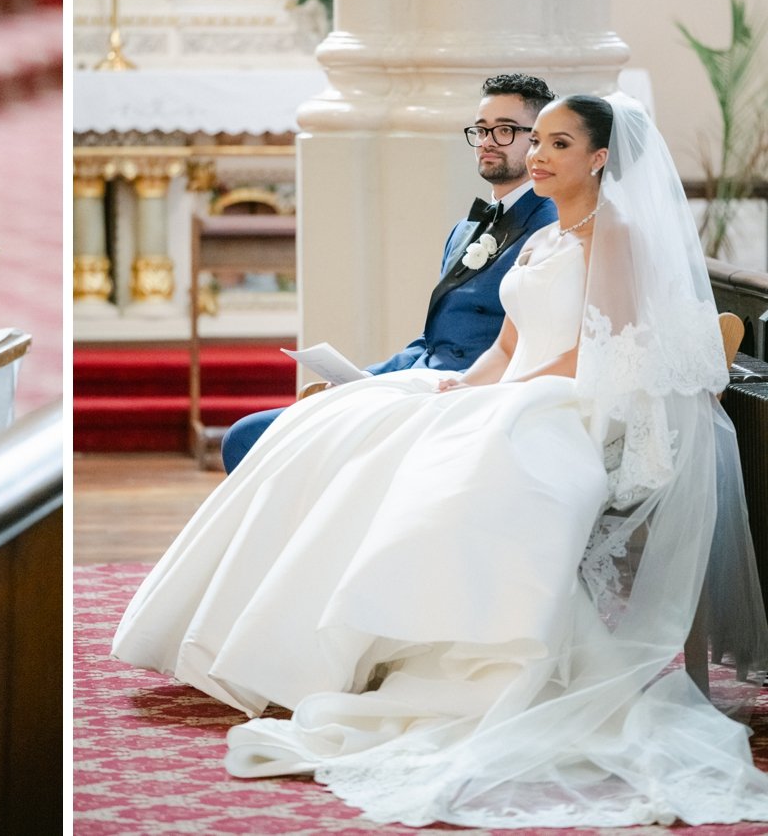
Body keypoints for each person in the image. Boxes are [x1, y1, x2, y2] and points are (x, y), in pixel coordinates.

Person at [112, 93, 768, 827]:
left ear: (599, 157)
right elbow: (510, 345)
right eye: (538, 142)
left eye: (556, 143)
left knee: (448, 448)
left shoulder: (612, 233)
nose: (538, 156)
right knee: (351, 416)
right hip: (518, 385)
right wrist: (466, 383)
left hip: (569, 408)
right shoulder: (546, 237)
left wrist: (501, 395)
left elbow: (598, 356)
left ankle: (393, 649)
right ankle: (298, 642)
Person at [220, 73, 558, 472]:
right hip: (416, 382)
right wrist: (363, 377)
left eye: (504, 131)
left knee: (250, 438)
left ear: (536, 140)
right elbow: (432, 341)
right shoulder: (465, 229)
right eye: (481, 129)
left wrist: (448, 390)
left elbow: (529, 346)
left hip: (461, 399)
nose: (486, 141)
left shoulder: (551, 229)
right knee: (249, 433)